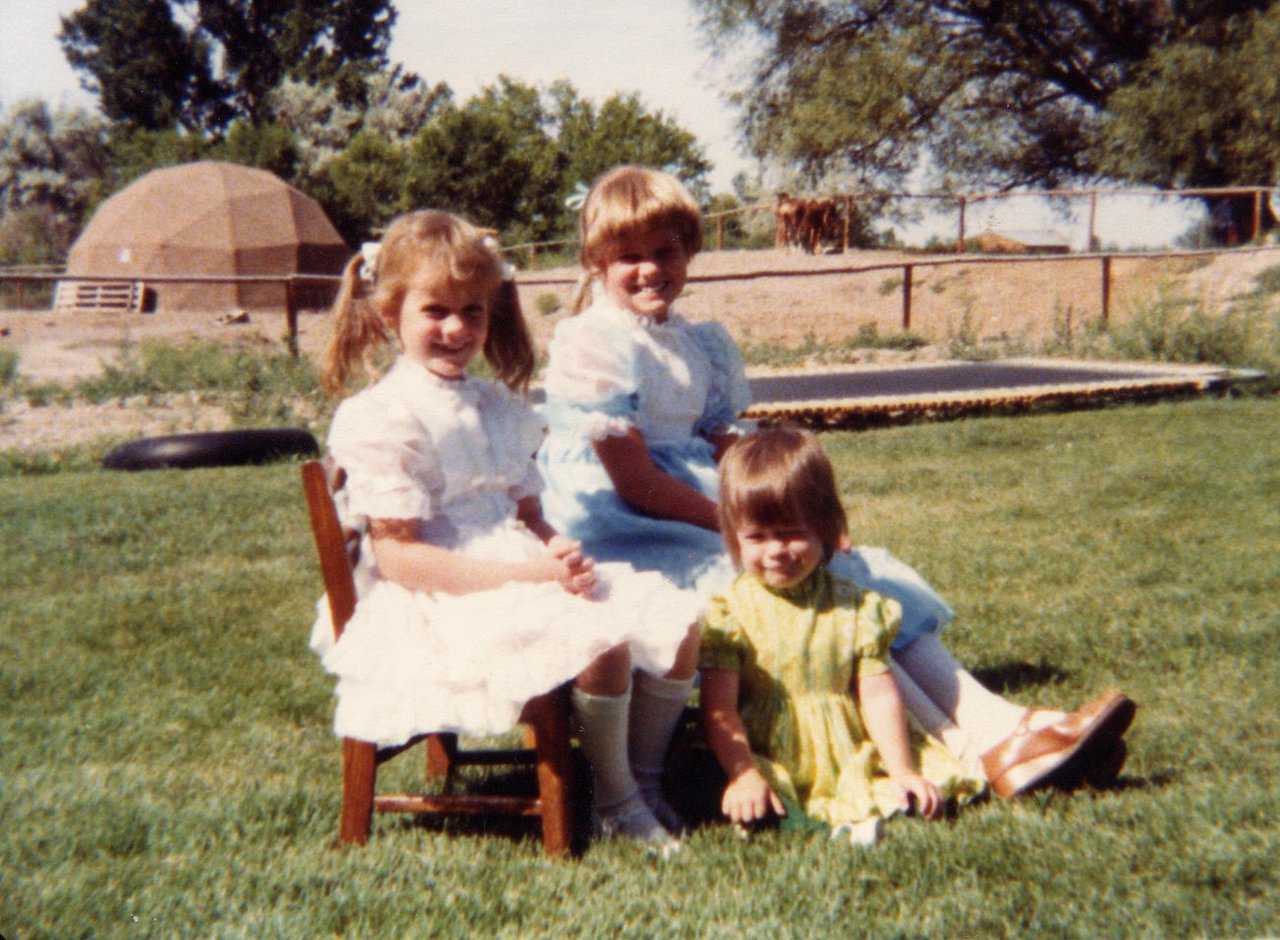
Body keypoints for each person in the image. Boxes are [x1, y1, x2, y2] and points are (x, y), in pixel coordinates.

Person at [536, 165, 1135, 802]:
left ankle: (995, 724)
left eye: (667, 251)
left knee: (850, 574)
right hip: (636, 529)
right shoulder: (594, 344)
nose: (652, 270)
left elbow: (726, 441)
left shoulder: (694, 342)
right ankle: (977, 743)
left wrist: (804, 511)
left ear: (690, 251)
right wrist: (741, 525)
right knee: (806, 588)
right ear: (596, 262)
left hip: (712, 502)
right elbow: (636, 485)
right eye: (630, 257)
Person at [307, 210, 704, 853]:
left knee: (676, 621)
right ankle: (616, 798)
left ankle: (644, 781)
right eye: (435, 311)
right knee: (602, 642)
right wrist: (531, 574)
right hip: (436, 596)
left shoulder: (495, 405)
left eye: (473, 311)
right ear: (389, 316)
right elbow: (404, 558)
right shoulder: (382, 415)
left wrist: (555, 547)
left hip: (516, 566)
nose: (457, 328)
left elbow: (526, 512)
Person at [701, 428, 985, 843]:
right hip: (769, 751)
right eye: (757, 537)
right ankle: (793, 817)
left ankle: (882, 806)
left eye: (792, 532)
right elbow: (719, 709)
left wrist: (902, 768)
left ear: (826, 526)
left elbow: (879, 695)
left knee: (905, 782)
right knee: (760, 795)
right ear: (734, 536)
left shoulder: (855, 606)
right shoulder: (730, 613)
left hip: (848, 745)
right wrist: (743, 774)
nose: (776, 551)